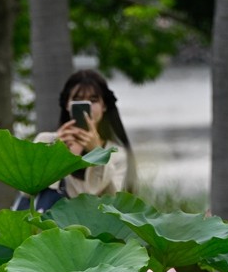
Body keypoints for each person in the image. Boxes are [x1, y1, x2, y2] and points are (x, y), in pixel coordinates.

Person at [13, 69, 136, 211]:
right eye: (77, 100)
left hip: (94, 229)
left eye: (93, 100)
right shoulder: (46, 140)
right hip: (48, 229)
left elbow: (113, 201)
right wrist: (57, 153)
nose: (86, 106)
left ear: (104, 106)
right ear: (67, 104)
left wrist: (97, 153)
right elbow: (26, 191)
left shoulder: (116, 153)